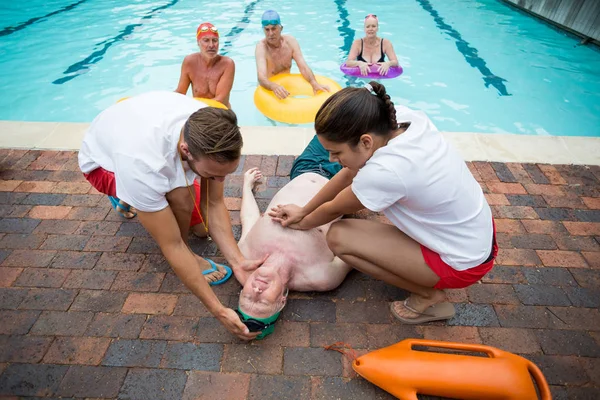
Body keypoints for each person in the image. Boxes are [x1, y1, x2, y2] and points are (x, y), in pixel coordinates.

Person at [269, 82, 497, 324]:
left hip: (462, 263)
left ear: (366, 142)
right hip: (476, 236)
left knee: (340, 238)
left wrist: (301, 222)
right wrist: (304, 210)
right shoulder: (402, 119)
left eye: (336, 152)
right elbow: (349, 172)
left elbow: (334, 208)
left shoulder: (387, 171)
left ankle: (429, 296)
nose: (331, 159)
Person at [78, 91, 264, 340]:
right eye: (213, 174)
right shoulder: (142, 166)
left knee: (201, 228)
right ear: (186, 151)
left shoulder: (210, 126)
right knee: (181, 200)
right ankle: (125, 193)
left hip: (136, 132)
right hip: (104, 166)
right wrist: (217, 310)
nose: (221, 180)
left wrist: (238, 261)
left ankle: (147, 197)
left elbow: (214, 200)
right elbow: (172, 244)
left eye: (226, 173)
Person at [234, 167, 351, 339]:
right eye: (263, 301)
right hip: (344, 181)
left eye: (248, 297)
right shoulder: (321, 277)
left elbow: (249, 218)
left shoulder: (245, 254)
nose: (257, 289)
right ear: (282, 300)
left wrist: (246, 186)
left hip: (304, 169)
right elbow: (360, 254)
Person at [255, 10, 329, 99]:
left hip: (287, 88)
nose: (270, 33)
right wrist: (274, 86)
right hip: (269, 91)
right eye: (267, 29)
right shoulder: (261, 48)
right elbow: (261, 77)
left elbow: (303, 67)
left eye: (274, 28)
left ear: (281, 28)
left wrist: (313, 82)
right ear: (263, 30)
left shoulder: (290, 42)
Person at [175, 22, 235, 108]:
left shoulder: (227, 64)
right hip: (199, 113)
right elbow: (180, 92)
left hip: (221, 114)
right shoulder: (189, 62)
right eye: (206, 40)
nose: (211, 45)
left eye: (215, 40)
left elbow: (220, 100)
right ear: (198, 42)